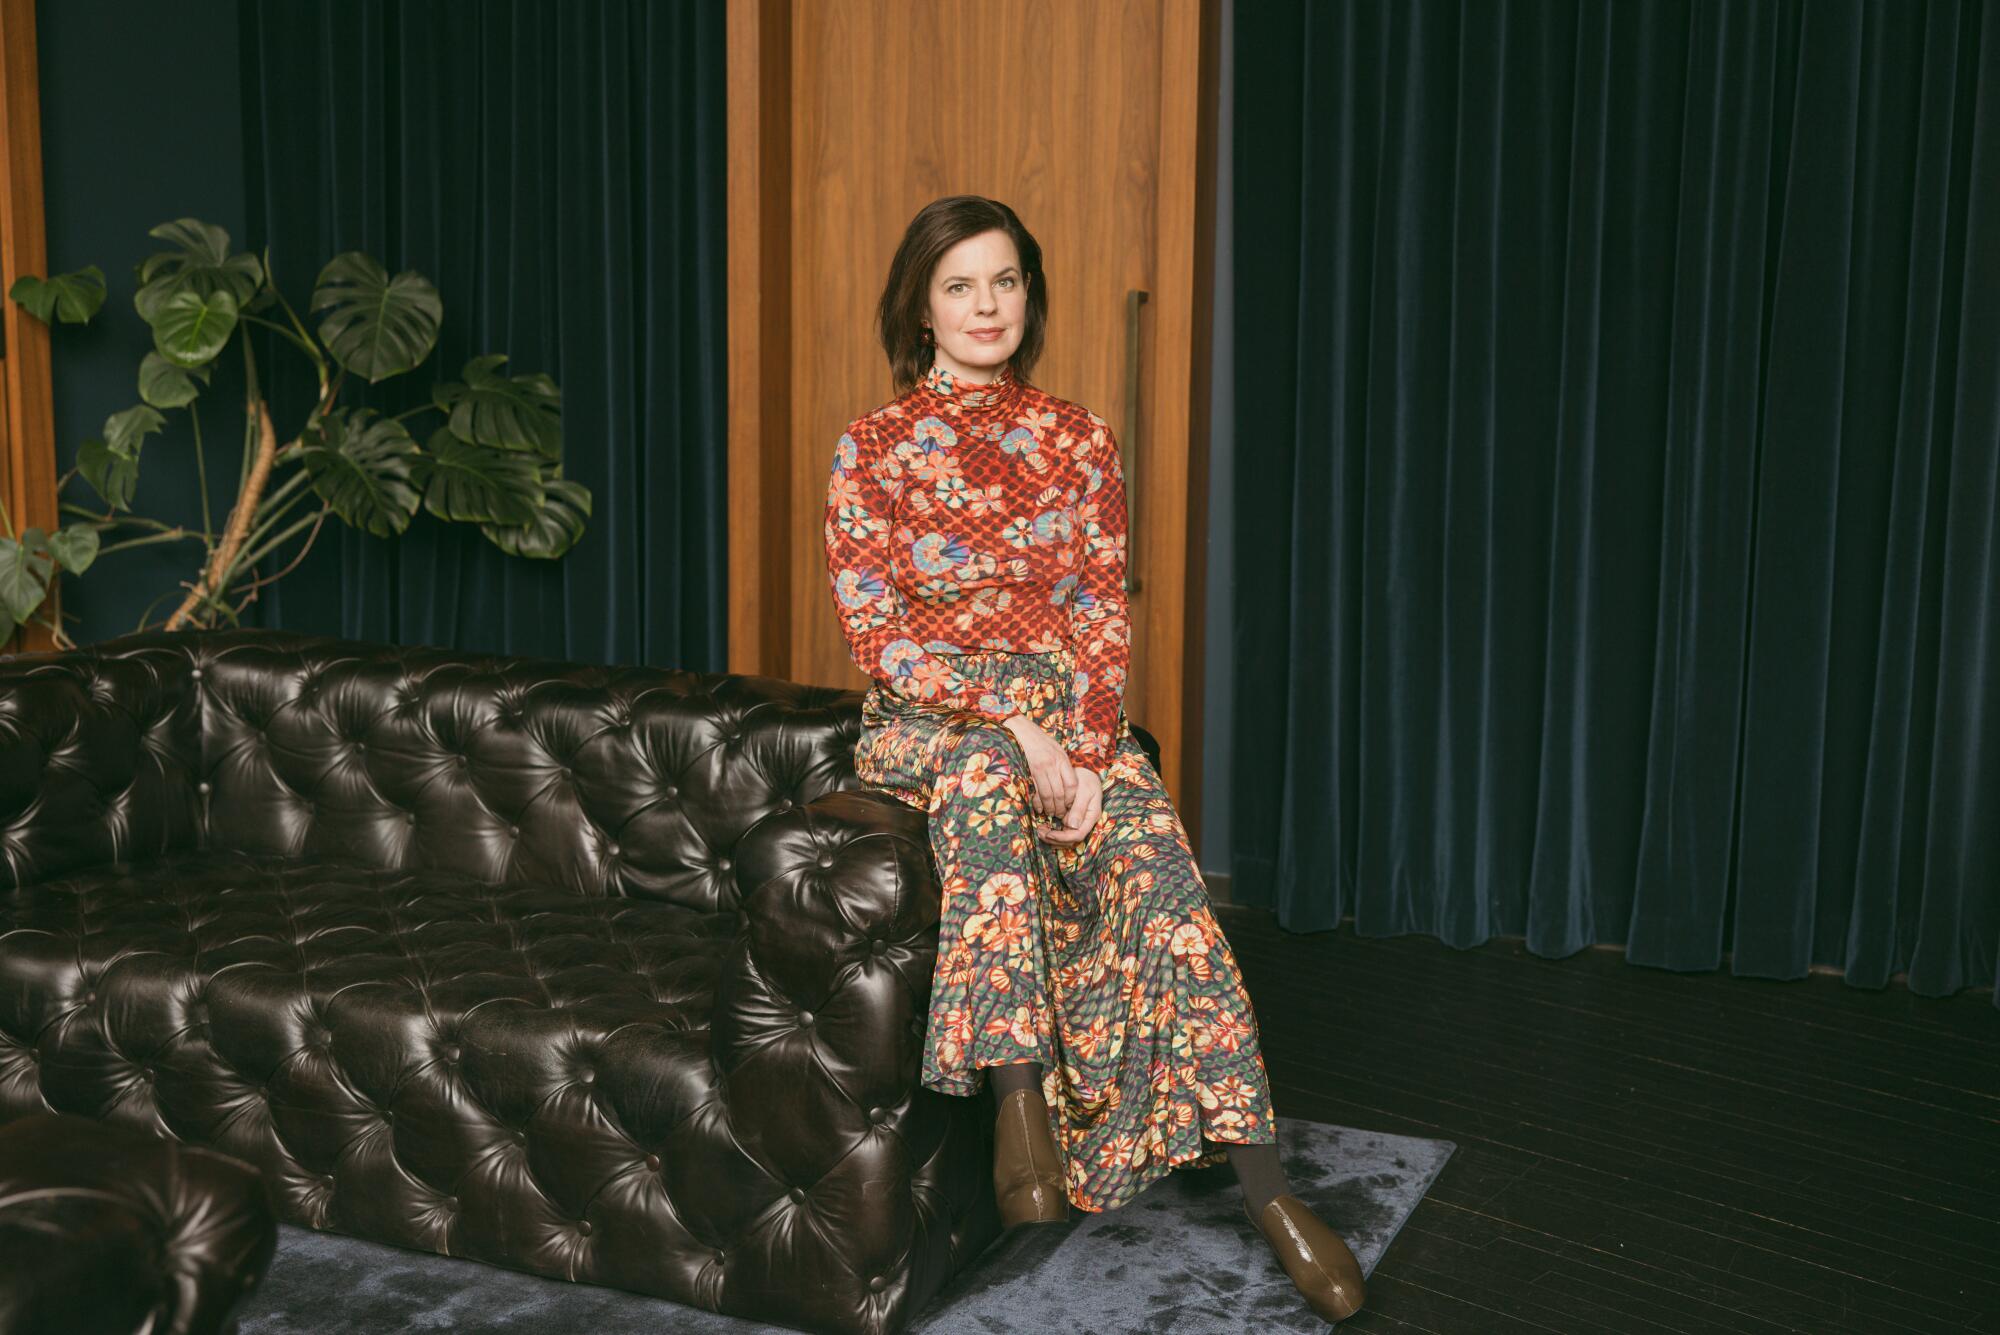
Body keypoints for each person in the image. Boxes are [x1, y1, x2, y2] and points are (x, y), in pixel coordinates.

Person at [822, 194, 1364, 1325]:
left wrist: (1077, 747)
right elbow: (881, 636)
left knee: (1156, 863)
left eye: (1005, 281)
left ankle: (1265, 1187)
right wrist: (1012, 732)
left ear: (1030, 295)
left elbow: (1097, 620)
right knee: (978, 771)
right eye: (959, 285)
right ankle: (1018, 1096)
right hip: (928, 717)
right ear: (919, 307)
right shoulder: (869, 450)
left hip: (1059, 718)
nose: (985, 305)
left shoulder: (1077, 441)